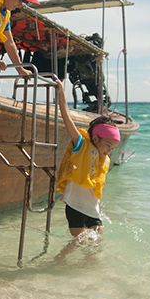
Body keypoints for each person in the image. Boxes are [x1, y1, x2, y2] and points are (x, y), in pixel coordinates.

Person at [55, 79, 121, 241]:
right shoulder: (81, 145)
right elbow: (66, 118)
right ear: (96, 138)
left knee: (97, 243)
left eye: (112, 147)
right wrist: (61, 92)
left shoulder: (103, 160)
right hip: (75, 207)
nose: (108, 150)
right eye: (107, 145)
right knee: (78, 242)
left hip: (93, 210)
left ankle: (91, 266)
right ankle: (59, 261)